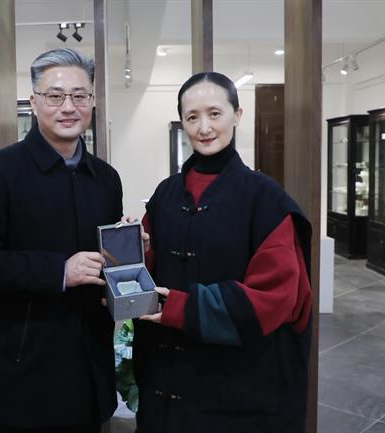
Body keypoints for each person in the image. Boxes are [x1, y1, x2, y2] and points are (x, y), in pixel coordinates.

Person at [0, 48, 122, 433]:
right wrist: (59, 270)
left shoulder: (105, 178)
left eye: (80, 95)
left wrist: (125, 249)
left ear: (92, 101)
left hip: (91, 367)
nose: (69, 107)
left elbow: (101, 260)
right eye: (55, 96)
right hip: (25, 366)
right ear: (33, 101)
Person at [134, 72, 313, 433]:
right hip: (165, 381)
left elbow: (277, 297)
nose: (204, 128)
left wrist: (184, 308)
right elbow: (148, 273)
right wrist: (139, 252)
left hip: (241, 389)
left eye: (214, 114)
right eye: (192, 117)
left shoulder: (266, 200)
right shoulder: (165, 194)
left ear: (237, 115)